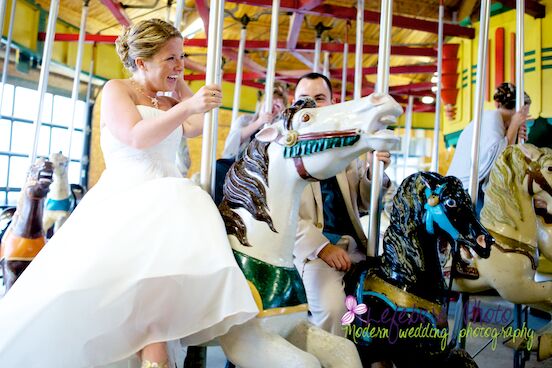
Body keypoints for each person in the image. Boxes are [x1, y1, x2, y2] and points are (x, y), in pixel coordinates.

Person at [0, 19, 258, 368]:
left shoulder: (169, 96)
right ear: (141, 61)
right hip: (130, 194)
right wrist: (187, 105)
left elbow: (194, 128)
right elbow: (137, 136)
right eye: (170, 58)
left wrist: (180, 85)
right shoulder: (115, 90)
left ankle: (155, 353)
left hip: (168, 196)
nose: (180, 63)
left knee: (162, 285)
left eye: (181, 56)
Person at [293, 72, 391, 336]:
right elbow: (282, 215)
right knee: (333, 311)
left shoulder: (346, 150)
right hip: (315, 252)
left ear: (333, 102)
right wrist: (323, 248)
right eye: (304, 99)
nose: (312, 105)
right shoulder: (286, 152)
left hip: (356, 246)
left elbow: (364, 202)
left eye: (319, 98)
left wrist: (374, 171)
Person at [447, 82, 531, 213]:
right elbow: (497, 160)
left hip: (471, 185)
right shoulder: (492, 119)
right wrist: (514, 126)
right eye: (525, 115)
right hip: (467, 188)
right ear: (521, 110)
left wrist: (513, 133)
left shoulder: (497, 123)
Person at [214, 83, 288, 205]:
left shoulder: (278, 126)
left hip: (264, 168)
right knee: (219, 167)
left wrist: (281, 116)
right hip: (240, 162)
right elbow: (233, 141)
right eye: (270, 104)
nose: (272, 108)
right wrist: (260, 122)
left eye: (277, 106)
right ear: (262, 104)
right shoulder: (245, 120)